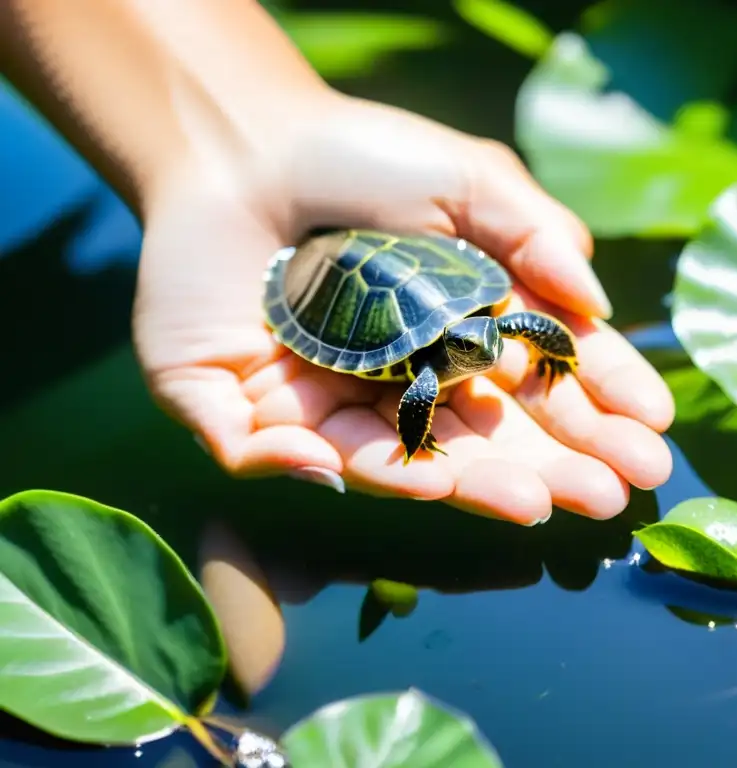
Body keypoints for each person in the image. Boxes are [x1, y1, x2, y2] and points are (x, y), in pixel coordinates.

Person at [0, 0, 674, 526]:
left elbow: (519, 332)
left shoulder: (490, 331)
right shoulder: (426, 376)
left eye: (481, 341)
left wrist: (253, 137)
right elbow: (421, 392)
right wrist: (419, 436)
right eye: (475, 344)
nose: (483, 346)